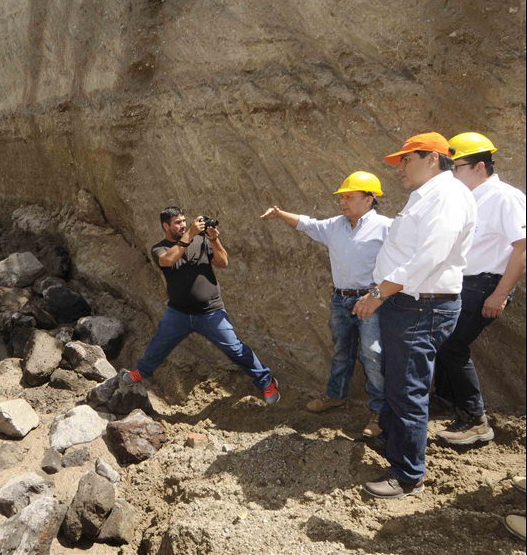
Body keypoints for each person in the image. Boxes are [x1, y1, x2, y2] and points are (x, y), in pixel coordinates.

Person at [353, 133, 476, 499]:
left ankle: (407, 475)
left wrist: (378, 293)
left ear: (433, 159)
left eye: (407, 159)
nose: (400, 167)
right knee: (398, 380)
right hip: (408, 304)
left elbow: (429, 256)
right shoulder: (426, 196)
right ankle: (393, 442)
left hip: (422, 306)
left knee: (408, 389)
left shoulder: (448, 196)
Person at [260, 171, 392, 437]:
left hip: (371, 300)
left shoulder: (387, 227)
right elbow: (308, 224)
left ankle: (381, 411)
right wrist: (280, 213)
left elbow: (400, 266)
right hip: (340, 299)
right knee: (342, 350)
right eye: (342, 197)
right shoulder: (335, 225)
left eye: (349, 197)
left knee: (372, 355)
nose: (343, 202)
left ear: (369, 199)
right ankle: (336, 396)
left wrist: (379, 297)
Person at [123, 207, 281, 404]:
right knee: (158, 346)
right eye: (177, 223)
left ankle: (266, 382)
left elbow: (223, 262)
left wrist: (214, 239)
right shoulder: (160, 248)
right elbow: (167, 261)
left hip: (211, 312)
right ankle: (142, 372)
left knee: (236, 349)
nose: (182, 225)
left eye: (183, 221)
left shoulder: (200, 241)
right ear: (166, 226)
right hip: (178, 313)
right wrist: (190, 234)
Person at [429, 133, 526, 444]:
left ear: (479, 166)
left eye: (455, 167)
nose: (450, 175)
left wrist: (500, 294)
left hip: (486, 284)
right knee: (442, 339)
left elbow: (523, 247)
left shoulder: (505, 198)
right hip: (462, 283)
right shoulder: (467, 198)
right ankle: (447, 398)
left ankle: (475, 420)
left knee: (453, 346)